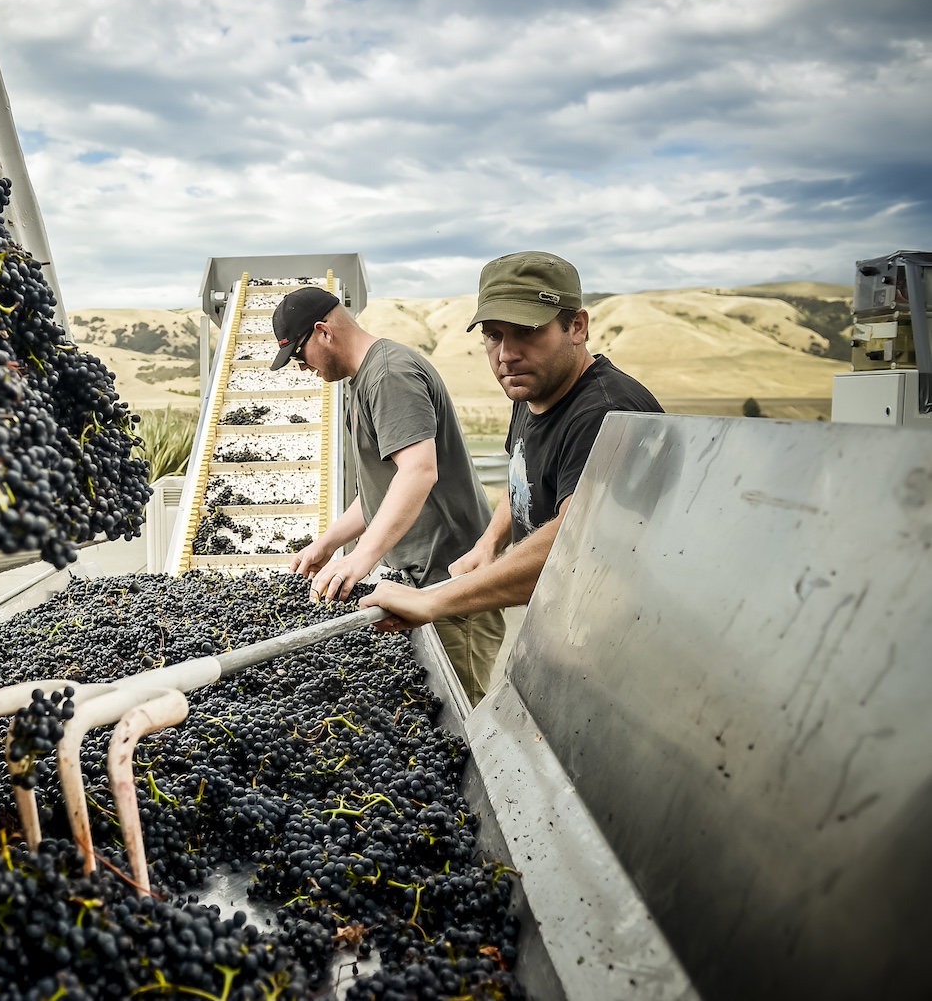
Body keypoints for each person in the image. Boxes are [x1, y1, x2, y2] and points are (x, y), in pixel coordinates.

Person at [360, 251, 663, 643]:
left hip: (623, 638)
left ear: (577, 326)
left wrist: (437, 602)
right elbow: (522, 478)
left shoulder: (606, 413)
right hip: (567, 621)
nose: (506, 354)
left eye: (527, 331)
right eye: (493, 334)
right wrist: (490, 544)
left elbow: (578, 541)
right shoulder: (533, 390)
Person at [270, 286, 505, 704]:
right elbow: (378, 493)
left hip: (450, 584)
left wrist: (362, 558)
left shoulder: (390, 375)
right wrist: (326, 544)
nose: (301, 369)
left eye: (299, 355)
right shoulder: (360, 383)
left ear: (323, 332)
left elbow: (418, 472)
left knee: (461, 725)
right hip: (417, 587)